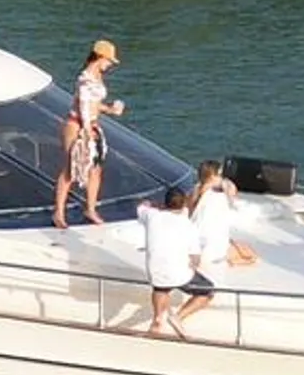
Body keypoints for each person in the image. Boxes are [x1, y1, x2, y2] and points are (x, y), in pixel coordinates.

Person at [54, 38, 125, 229]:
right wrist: (86, 131)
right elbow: (84, 105)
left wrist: (109, 110)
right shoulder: (85, 79)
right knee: (71, 167)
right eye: (109, 61)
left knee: (96, 168)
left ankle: (90, 208)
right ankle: (59, 212)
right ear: (100, 57)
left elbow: (93, 104)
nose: (110, 65)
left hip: (92, 125)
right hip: (78, 125)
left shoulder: (96, 78)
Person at [140, 183, 211, 338]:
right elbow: (195, 258)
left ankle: (158, 319)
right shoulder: (188, 225)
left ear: (164, 204)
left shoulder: (152, 216)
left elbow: (142, 206)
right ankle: (178, 317)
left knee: (161, 286)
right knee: (208, 291)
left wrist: (153, 205)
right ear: (184, 204)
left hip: (156, 271)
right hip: (179, 274)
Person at [188, 159, 258, 280]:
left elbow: (190, 208)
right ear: (213, 175)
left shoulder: (199, 189)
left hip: (205, 233)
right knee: (249, 255)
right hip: (211, 236)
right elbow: (230, 192)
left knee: (246, 251)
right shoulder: (205, 189)